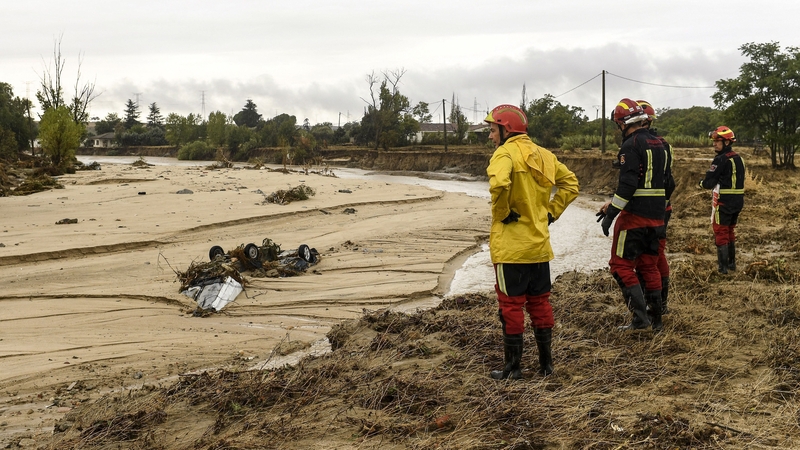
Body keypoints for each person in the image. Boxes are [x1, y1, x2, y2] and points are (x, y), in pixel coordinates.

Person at [485, 104, 579, 380]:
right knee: (540, 303)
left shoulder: (503, 154)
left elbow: (499, 185)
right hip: (539, 247)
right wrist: (551, 212)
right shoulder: (545, 155)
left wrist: (502, 213)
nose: (490, 136)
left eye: (492, 130)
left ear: (506, 129)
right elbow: (571, 184)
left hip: (511, 249)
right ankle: (546, 366)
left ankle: (513, 368)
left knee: (510, 306)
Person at [597, 98, 672, 331]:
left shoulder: (630, 145)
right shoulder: (662, 144)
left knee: (620, 266)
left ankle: (640, 320)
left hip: (634, 218)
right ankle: (656, 319)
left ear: (623, 123)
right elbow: (669, 183)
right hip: (658, 216)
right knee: (649, 266)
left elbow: (628, 184)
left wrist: (612, 214)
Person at [637, 100, 675, 318]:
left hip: (654, 208)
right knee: (653, 254)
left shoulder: (653, 145)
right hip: (660, 206)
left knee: (653, 255)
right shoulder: (662, 144)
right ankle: (656, 304)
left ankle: (657, 306)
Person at [700, 126, 745, 274]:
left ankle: (723, 269)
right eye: (714, 141)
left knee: (721, 232)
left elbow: (708, 182)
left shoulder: (720, 159)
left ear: (727, 142)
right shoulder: (739, 159)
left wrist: (701, 183)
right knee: (730, 231)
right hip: (738, 202)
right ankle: (732, 265)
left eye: (717, 141)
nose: (714, 144)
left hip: (724, 202)